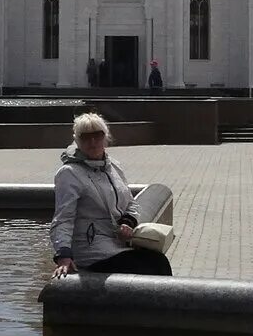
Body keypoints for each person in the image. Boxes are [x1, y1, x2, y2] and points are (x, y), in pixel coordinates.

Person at [50, 113, 171, 278]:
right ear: (77, 141)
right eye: (85, 137)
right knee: (144, 269)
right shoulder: (69, 173)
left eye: (97, 136)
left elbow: (131, 203)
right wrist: (63, 255)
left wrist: (127, 222)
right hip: (91, 249)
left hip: (118, 243)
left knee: (159, 261)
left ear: (106, 137)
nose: (92, 142)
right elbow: (63, 218)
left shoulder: (113, 166)